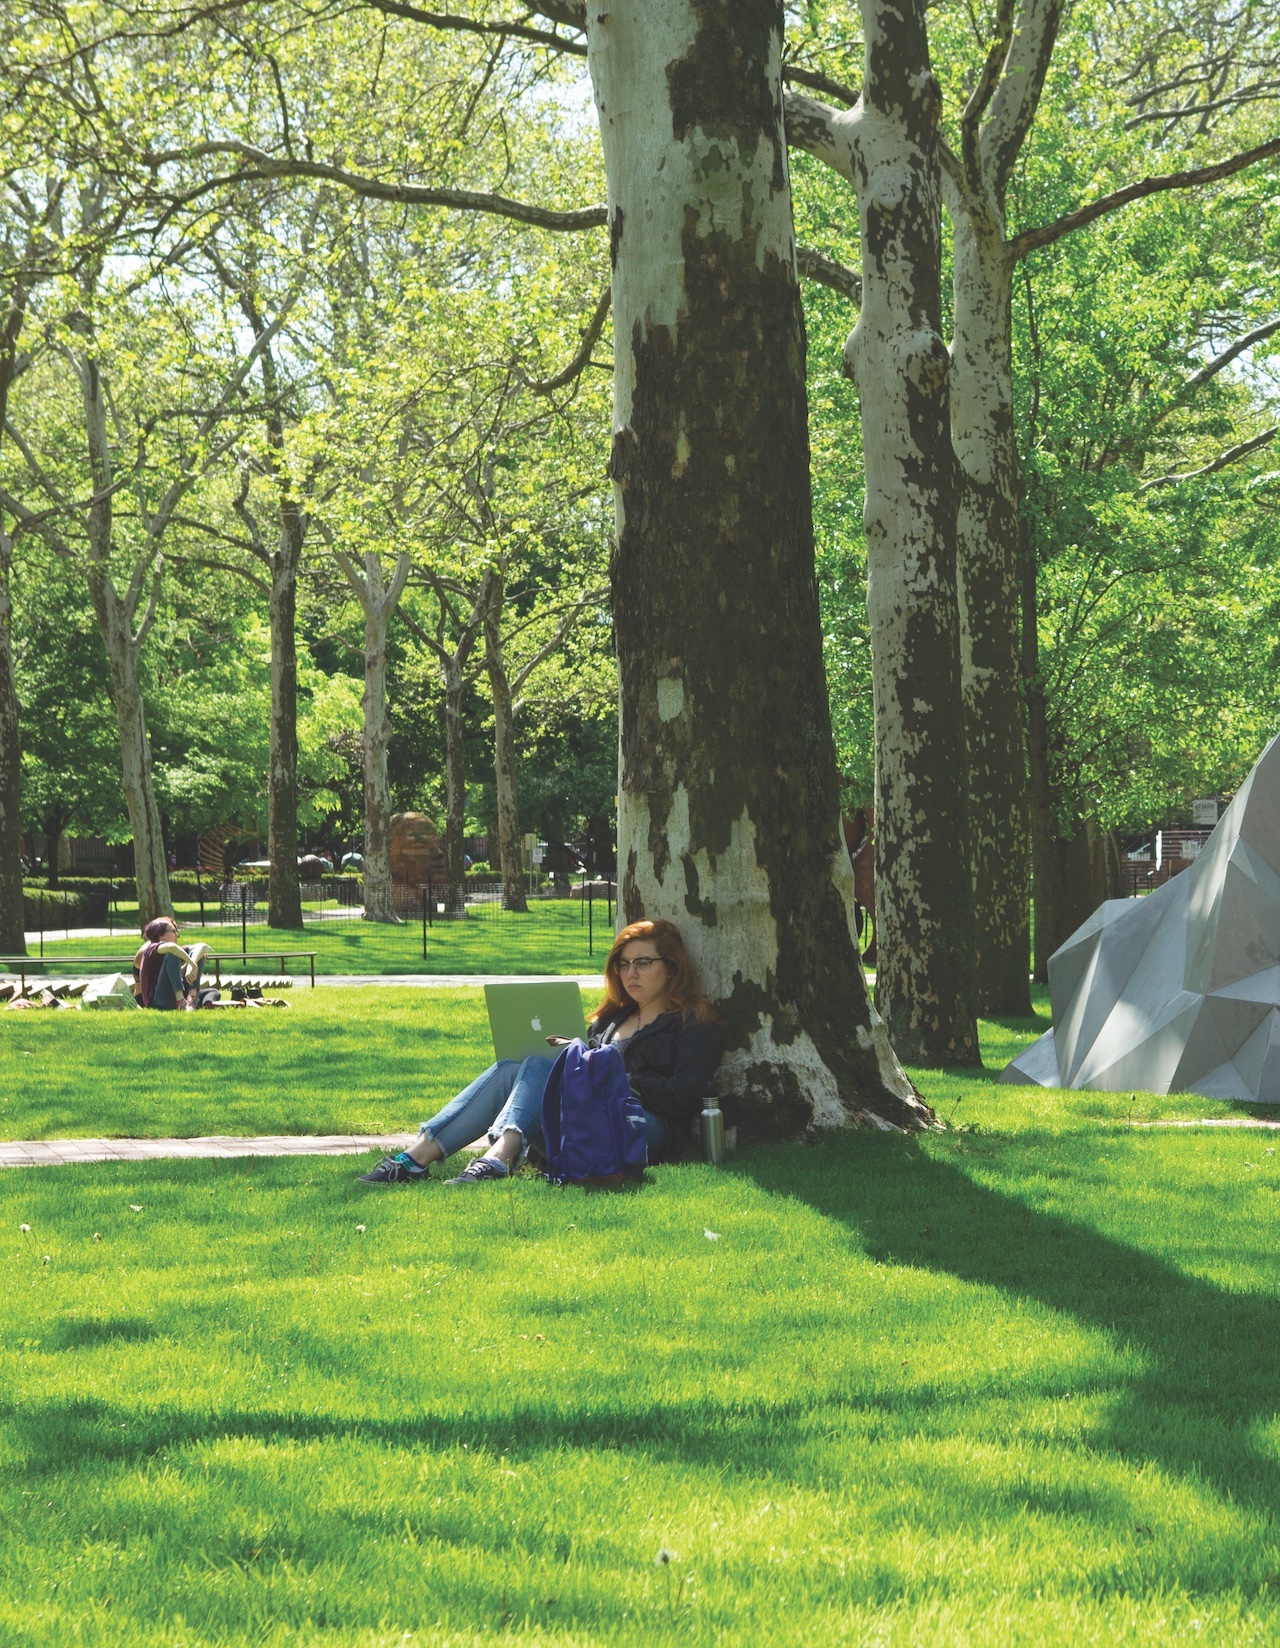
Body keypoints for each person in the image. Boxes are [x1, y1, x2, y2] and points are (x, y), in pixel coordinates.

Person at [359, 918, 722, 1185]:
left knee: (539, 1067)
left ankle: (499, 1158)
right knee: (511, 1068)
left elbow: (687, 1093)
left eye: (643, 963)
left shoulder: (692, 1022)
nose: (631, 973)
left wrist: (616, 1079)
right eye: (623, 964)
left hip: (641, 1129)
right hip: (584, 1125)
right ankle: (413, 1160)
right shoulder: (612, 1018)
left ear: (671, 968)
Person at [134, 918, 220, 1010]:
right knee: (173, 953)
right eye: (173, 931)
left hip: (171, 995)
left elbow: (202, 946)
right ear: (161, 935)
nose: (177, 935)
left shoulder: (173, 948)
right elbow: (171, 948)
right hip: (158, 1002)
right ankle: (181, 1002)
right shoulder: (151, 949)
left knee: (199, 956)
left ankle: (192, 1001)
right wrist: (191, 963)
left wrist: (192, 965)